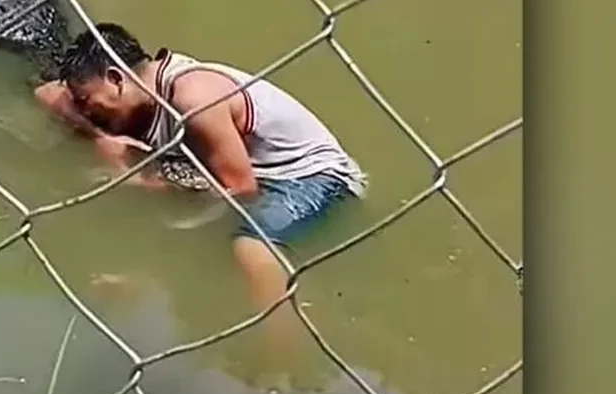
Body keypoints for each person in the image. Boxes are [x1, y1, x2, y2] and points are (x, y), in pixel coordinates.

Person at [33, 22, 368, 366]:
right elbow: (47, 94)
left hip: (311, 177)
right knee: (149, 207)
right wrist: (101, 136)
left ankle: (286, 354)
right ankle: (145, 278)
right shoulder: (140, 96)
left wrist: (144, 182)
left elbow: (240, 188)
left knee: (250, 245)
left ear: (116, 79)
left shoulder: (194, 99)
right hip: (237, 174)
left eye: (86, 101)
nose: (86, 111)